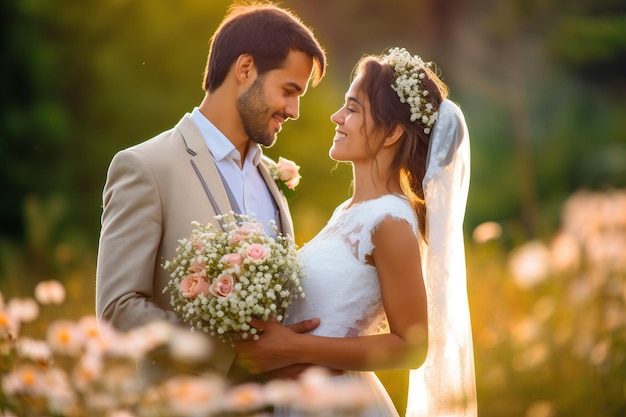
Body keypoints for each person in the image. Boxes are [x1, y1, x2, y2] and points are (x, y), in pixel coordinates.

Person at [234, 47, 477, 416]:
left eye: (352, 109)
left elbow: (411, 347)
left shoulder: (391, 221)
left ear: (393, 131)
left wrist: (294, 348)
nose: (336, 117)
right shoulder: (349, 212)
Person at [95, 2, 327, 387]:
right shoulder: (146, 167)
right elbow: (118, 310)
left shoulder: (270, 177)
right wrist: (232, 356)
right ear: (245, 68)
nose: (294, 110)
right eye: (289, 90)